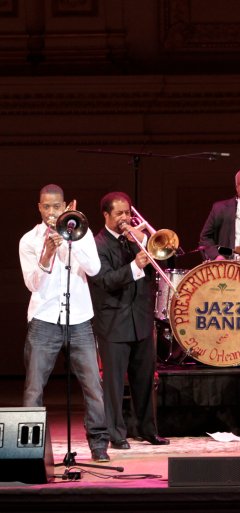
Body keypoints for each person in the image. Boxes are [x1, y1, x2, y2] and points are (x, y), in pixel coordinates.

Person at [19, 184, 110, 462]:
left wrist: (71, 240)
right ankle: (28, 450)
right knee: (34, 388)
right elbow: (32, 283)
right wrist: (47, 253)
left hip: (79, 319)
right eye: (46, 207)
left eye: (56, 207)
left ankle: (98, 445)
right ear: (39, 208)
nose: (51, 212)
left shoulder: (82, 235)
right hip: (44, 320)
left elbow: (94, 269)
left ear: (67, 205)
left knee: (93, 386)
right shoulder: (29, 240)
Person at [88, 192, 169, 449]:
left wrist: (145, 239)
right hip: (114, 322)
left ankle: (147, 429)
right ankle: (116, 433)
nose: (125, 219)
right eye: (119, 214)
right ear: (106, 215)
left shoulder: (135, 239)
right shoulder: (96, 244)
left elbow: (168, 258)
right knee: (113, 384)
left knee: (144, 380)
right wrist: (135, 265)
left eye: (127, 213)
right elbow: (105, 280)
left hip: (141, 320)